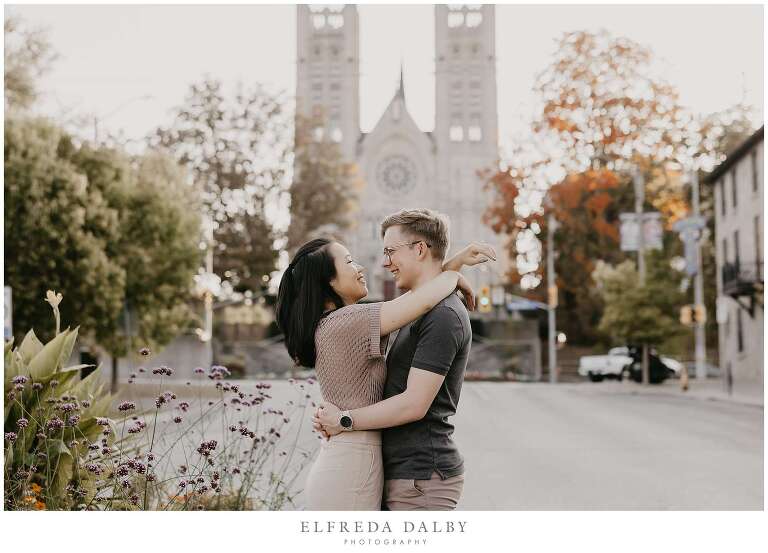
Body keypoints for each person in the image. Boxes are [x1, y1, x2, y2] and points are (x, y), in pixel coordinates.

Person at [276, 232, 493, 511]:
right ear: (329, 281)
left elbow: (419, 298)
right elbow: (422, 301)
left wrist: (452, 266)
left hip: (352, 460)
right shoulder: (347, 322)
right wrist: (453, 275)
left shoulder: (340, 323)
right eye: (350, 262)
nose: (361, 268)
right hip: (350, 467)